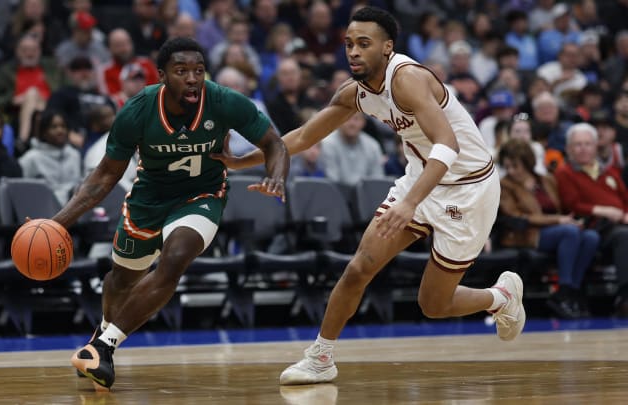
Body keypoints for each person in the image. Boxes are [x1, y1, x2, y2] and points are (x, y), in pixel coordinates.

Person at [212, 7, 525, 385]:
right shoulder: (354, 93)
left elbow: (448, 146)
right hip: (419, 178)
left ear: (387, 48)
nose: (354, 52)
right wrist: (239, 161)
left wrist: (409, 203)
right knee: (359, 267)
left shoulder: (408, 79)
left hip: (469, 187)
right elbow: (302, 137)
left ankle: (500, 296)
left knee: (434, 304)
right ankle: (321, 357)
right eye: (348, 44)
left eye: (364, 44)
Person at [52, 37, 289, 391]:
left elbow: (274, 142)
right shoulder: (138, 110)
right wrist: (57, 224)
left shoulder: (223, 101)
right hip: (149, 198)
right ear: (162, 75)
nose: (192, 78)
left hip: (202, 195)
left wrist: (276, 175)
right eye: (181, 71)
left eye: (198, 70)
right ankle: (99, 341)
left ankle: (104, 345)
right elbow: (104, 176)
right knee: (120, 279)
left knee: (175, 258)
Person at [498, 138, 599, 318]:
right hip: (525, 233)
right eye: (508, 167)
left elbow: (562, 208)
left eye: (516, 166)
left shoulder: (546, 180)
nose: (511, 171)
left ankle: (570, 293)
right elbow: (515, 216)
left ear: (527, 163)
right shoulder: (505, 185)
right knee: (569, 232)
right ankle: (564, 291)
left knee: (591, 237)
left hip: (555, 230)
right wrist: (557, 220)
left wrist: (569, 219)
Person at [554, 123, 628, 317]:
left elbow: (625, 200)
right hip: (594, 227)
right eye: (578, 144)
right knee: (623, 236)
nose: (583, 148)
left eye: (588, 143)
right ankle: (625, 297)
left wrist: (625, 213)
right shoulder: (565, 173)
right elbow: (571, 204)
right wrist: (602, 210)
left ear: (596, 146)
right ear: (569, 148)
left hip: (619, 221)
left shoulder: (610, 172)